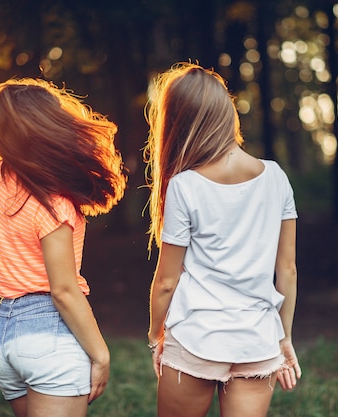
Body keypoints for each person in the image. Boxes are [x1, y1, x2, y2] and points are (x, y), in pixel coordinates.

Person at [144, 63, 302, 417]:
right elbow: (287, 270)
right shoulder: (276, 177)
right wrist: (284, 337)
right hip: (257, 340)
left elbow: (167, 281)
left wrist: (157, 336)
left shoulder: (184, 186)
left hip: (196, 339)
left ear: (178, 122)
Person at [0, 78, 126, 417]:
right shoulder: (54, 202)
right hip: (49, 336)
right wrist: (101, 354)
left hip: (3, 334)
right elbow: (62, 290)